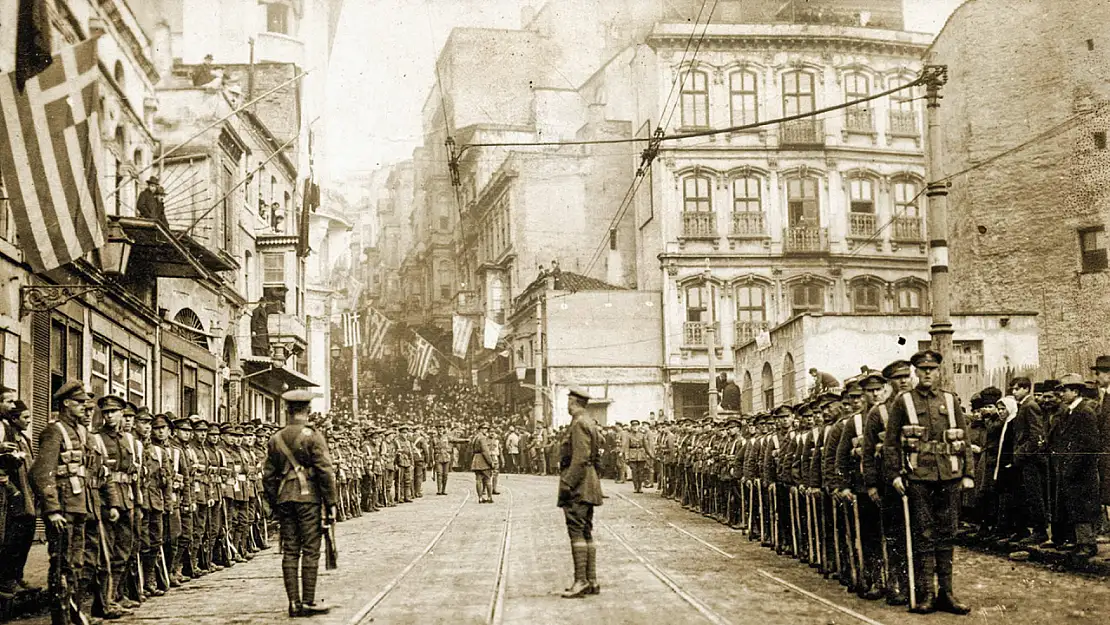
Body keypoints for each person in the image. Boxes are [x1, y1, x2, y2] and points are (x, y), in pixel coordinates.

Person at [882, 350, 974, 615]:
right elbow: (890, 444)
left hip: (949, 476)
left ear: (938, 372)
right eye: (922, 370)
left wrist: (968, 473)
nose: (927, 374)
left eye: (932, 369)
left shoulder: (950, 400)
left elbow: (964, 439)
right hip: (918, 477)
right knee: (923, 534)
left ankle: (947, 593)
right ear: (915, 372)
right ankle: (927, 594)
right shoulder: (904, 402)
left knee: (947, 533)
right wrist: (895, 475)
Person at [262, 389, 337, 618]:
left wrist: (276, 503)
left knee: (290, 550)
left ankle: (293, 603)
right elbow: (325, 471)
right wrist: (331, 501)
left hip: (285, 499)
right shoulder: (313, 436)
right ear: (308, 411)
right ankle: (307, 600)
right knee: (311, 549)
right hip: (309, 498)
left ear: (287, 410)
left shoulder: (276, 438)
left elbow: (268, 476)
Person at [1046, 373, 1100, 559]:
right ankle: (1080, 542)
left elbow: (1090, 444)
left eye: (1065, 390)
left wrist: (1074, 465)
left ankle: (1088, 544)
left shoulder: (1084, 412)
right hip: (1071, 468)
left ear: (1075, 392)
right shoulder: (1069, 412)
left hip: (1082, 470)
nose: (1061, 394)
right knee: (1075, 506)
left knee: (1083, 506)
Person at [558, 388, 603, 599]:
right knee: (586, 530)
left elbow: (580, 458)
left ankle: (581, 580)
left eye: (568, 401)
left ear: (573, 402)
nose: (567, 405)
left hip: (579, 484)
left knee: (576, 529)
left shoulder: (578, 423)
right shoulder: (589, 422)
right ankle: (591, 579)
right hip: (589, 482)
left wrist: (568, 483)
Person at [0, 398, 37, 595]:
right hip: (15, 495)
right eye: (25, 417)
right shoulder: (9, 439)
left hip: (28, 495)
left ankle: (18, 575)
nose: (29, 420)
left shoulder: (25, 439)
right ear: (14, 420)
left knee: (26, 538)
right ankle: (7, 579)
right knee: (13, 540)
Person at [623, 420, 654, 494]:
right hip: (632, 455)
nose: (635, 427)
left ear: (638, 427)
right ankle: (635, 487)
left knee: (641, 472)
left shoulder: (642, 435)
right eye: (633, 426)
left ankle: (639, 487)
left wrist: (651, 455)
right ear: (631, 427)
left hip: (641, 455)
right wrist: (627, 457)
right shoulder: (629, 435)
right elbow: (626, 447)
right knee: (634, 472)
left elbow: (646, 446)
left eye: (636, 426)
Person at [469, 424, 495, 503]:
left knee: (478, 480)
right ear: (480, 429)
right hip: (483, 460)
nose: (486, 430)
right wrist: (491, 462)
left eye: (486, 428)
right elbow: (485, 451)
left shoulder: (475, 437)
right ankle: (489, 497)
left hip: (476, 459)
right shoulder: (483, 438)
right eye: (484, 428)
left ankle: (480, 498)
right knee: (488, 479)